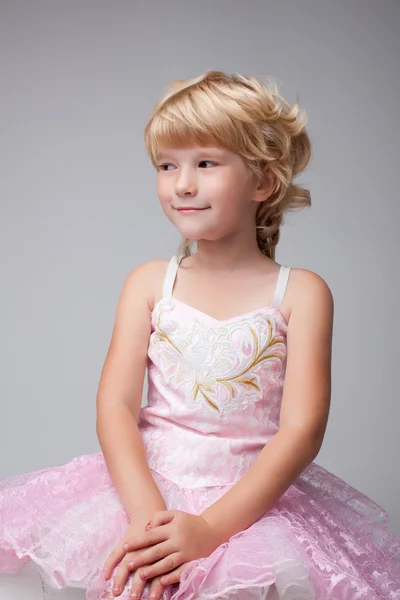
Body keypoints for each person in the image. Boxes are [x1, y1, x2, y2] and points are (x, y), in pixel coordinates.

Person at [0, 70, 399, 600]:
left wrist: (210, 530)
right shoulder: (148, 283)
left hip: (245, 510)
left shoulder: (301, 294)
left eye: (206, 163)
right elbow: (115, 407)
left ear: (263, 182)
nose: (181, 183)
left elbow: (300, 431)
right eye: (167, 166)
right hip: (143, 491)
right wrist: (148, 522)